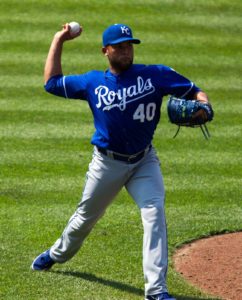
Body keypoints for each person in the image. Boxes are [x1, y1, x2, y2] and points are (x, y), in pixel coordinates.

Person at [31, 23, 211, 300]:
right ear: (106, 51)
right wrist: (59, 39)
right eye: (120, 46)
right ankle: (56, 253)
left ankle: (156, 291)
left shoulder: (156, 75)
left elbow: (195, 91)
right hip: (107, 164)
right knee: (84, 220)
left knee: (154, 216)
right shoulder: (92, 82)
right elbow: (51, 82)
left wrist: (205, 106)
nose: (127, 51)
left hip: (144, 161)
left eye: (129, 45)